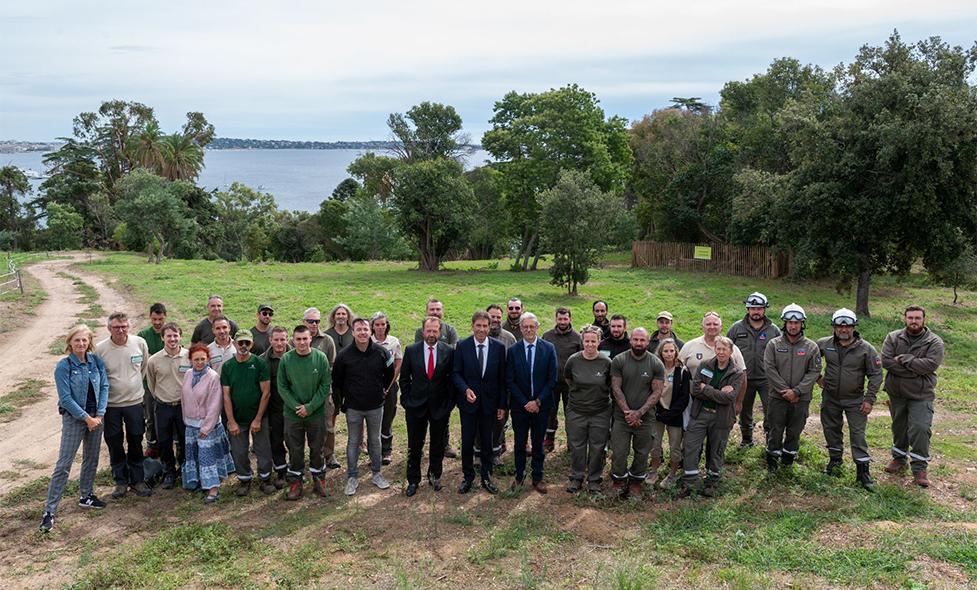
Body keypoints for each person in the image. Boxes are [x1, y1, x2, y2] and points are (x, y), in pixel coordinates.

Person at [40, 325, 109, 533]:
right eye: (77, 340)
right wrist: (87, 418)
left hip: (96, 418)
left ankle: (86, 496)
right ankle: (49, 511)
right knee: (64, 464)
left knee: (91, 458)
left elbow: (104, 386)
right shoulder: (64, 366)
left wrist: (99, 415)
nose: (81, 343)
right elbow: (66, 398)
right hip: (75, 420)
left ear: (90, 342)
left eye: (84, 340)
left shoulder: (96, 362)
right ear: (70, 342)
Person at [817, 308, 882, 491]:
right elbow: (808, 357)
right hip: (830, 398)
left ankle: (863, 472)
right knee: (831, 429)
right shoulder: (824, 344)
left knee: (858, 435)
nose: (843, 330)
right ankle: (835, 462)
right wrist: (817, 377)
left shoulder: (866, 349)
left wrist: (869, 399)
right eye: (839, 326)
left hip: (855, 400)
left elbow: (876, 375)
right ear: (834, 327)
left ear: (854, 327)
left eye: (848, 326)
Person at [881, 305, 945, 488]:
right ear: (905, 318)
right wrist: (916, 369)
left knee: (920, 428)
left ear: (924, 319)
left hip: (921, 394)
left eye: (917, 318)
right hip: (896, 393)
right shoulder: (893, 337)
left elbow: (930, 365)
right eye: (910, 318)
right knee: (899, 427)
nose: (914, 321)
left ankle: (919, 469)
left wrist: (905, 359)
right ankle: (899, 459)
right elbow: (886, 361)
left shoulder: (934, 342)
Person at [332, 317, 395, 496]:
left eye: (365, 329)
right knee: (353, 441)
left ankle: (376, 473)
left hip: (375, 406)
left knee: (374, 440)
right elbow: (337, 381)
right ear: (353, 332)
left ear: (370, 331)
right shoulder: (343, 356)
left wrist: (382, 390)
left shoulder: (382, 352)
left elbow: (389, 373)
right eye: (359, 329)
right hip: (353, 407)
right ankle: (352, 477)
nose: (362, 332)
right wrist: (342, 402)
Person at [96, 311, 152, 500]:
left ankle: (137, 480)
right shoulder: (101, 349)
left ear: (129, 326)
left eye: (124, 326)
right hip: (111, 405)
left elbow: (143, 367)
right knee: (114, 441)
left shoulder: (139, 343)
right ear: (108, 328)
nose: (120, 330)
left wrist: (132, 386)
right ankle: (120, 481)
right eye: (116, 327)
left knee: (136, 438)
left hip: (134, 402)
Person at [680, 336, 743, 498]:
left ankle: (712, 482)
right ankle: (690, 483)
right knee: (690, 446)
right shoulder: (705, 365)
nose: (721, 352)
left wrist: (706, 388)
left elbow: (729, 398)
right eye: (718, 348)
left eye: (724, 349)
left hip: (721, 417)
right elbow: (695, 390)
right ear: (715, 349)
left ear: (731, 351)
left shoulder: (736, 372)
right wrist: (718, 392)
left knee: (716, 450)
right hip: (700, 413)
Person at [399, 317, 455, 496]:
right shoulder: (411, 350)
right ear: (423, 331)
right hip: (416, 406)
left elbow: (452, 379)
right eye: (428, 330)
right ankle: (413, 480)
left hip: (440, 406)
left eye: (435, 331)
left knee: (438, 444)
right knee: (415, 444)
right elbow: (404, 378)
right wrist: (407, 400)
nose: (431, 334)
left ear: (440, 331)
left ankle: (434, 475)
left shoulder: (448, 351)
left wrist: (449, 403)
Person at [453, 311, 507, 494]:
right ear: (472, 326)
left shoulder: (499, 348)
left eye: (485, 326)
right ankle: (468, 477)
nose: (482, 329)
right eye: (478, 325)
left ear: (489, 327)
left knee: (487, 441)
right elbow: (456, 373)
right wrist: (465, 389)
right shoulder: (462, 346)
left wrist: (502, 405)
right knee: (467, 441)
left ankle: (486, 476)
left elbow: (502, 379)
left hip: (490, 404)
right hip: (468, 403)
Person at [763, 304, 821, 473]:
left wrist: (796, 392)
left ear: (802, 324)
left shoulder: (811, 347)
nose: (793, 326)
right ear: (785, 323)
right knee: (775, 429)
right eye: (790, 323)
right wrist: (785, 391)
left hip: (801, 399)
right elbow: (769, 369)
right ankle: (772, 463)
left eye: (797, 323)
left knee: (795, 431)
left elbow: (814, 371)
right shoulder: (773, 344)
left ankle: (788, 461)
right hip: (777, 397)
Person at [609, 328, 665, 500]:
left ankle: (636, 482)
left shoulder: (656, 363)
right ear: (630, 340)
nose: (638, 343)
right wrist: (628, 413)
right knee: (619, 451)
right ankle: (619, 480)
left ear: (648, 342)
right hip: (622, 417)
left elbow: (657, 392)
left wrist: (639, 413)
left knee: (642, 452)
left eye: (642, 340)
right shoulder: (619, 360)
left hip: (645, 418)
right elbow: (616, 388)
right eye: (636, 339)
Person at [278, 325, 332, 500]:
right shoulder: (286, 359)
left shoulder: (320, 358)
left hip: (315, 413)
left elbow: (325, 385)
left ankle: (319, 479)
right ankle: (296, 482)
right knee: (295, 449)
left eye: (305, 339)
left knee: (317, 448)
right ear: (293, 340)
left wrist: (310, 407)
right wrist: (296, 407)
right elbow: (282, 387)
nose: (302, 342)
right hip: (292, 415)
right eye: (298, 339)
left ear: (311, 339)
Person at [507, 312, 558, 494]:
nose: (528, 330)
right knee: (520, 442)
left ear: (537, 327)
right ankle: (519, 476)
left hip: (541, 406)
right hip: (520, 406)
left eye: (531, 326)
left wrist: (537, 401)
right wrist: (525, 403)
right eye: (525, 327)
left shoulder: (548, 348)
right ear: (520, 329)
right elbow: (510, 380)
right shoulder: (513, 350)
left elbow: (552, 379)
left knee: (538, 443)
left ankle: (538, 477)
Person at [222, 330, 274, 496]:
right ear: (234, 343)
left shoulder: (259, 363)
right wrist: (231, 421)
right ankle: (244, 480)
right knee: (239, 451)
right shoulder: (228, 366)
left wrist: (258, 418)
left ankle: (265, 479)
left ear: (252, 344)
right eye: (240, 343)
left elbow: (266, 393)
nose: (243, 346)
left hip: (258, 415)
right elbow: (226, 395)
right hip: (237, 417)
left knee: (263, 449)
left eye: (247, 343)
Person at [726, 292, 781, 449]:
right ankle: (746, 439)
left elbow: (781, 353)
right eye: (753, 308)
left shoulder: (774, 330)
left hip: (767, 379)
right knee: (744, 410)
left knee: (771, 411)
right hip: (743, 378)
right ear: (747, 309)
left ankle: (771, 442)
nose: (756, 312)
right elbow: (726, 350)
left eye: (759, 308)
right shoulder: (736, 328)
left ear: (765, 309)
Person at [181, 344, 234, 504]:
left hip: (207, 425)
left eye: (203, 359)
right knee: (195, 455)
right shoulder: (188, 374)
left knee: (207, 458)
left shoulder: (213, 377)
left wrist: (206, 427)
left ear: (208, 359)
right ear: (190, 360)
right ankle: (199, 482)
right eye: (196, 359)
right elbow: (184, 398)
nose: (199, 362)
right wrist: (186, 420)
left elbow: (215, 405)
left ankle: (213, 489)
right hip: (191, 424)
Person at [562, 325, 611, 494]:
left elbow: (610, 384)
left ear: (599, 341)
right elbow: (568, 379)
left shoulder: (606, 362)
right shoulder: (573, 360)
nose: (590, 344)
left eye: (593, 341)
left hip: (600, 411)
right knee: (577, 446)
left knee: (597, 447)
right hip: (577, 410)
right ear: (582, 341)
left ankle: (594, 479)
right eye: (587, 341)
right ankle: (576, 477)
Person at [411, 298, 459, 459]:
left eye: (438, 309)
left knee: (443, 418)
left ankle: (444, 445)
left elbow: (454, 350)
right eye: (432, 309)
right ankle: (419, 446)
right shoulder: (420, 331)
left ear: (442, 311)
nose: (435, 312)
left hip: (443, 381)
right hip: (425, 380)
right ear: (427, 311)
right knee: (421, 419)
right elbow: (420, 351)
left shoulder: (450, 330)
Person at [145, 322, 190, 489]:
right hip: (163, 405)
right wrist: (161, 397)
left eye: (175, 335)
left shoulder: (189, 356)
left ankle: (184, 468)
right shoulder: (153, 360)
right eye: (169, 336)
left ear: (180, 337)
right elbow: (151, 384)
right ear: (162, 338)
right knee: (164, 441)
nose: (172, 339)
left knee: (184, 439)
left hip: (183, 406)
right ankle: (168, 471)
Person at [296, 307, 340, 470]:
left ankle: (329, 455)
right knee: (300, 428)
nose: (314, 324)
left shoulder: (327, 340)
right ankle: (302, 457)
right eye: (310, 321)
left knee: (328, 425)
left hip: (323, 391)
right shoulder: (296, 339)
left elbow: (332, 365)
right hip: (302, 392)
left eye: (317, 321)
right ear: (304, 321)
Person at [652, 339, 691, 489]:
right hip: (658, 413)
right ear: (660, 353)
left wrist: (672, 413)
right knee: (655, 444)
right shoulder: (656, 369)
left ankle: (673, 474)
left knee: (675, 446)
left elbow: (684, 396)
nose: (669, 354)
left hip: (675, 414)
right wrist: (658, 412)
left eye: (671, 351)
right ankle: (653, 471)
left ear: (676, 352)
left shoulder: (682, 371)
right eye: (665, 351)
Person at [542, 307, 583, 452]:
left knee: (570, 413)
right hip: (551, 383)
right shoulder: (547, 336)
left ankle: (572, 442)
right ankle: (549, 440)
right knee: (550, 413)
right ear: (556, 319)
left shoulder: (577, 338)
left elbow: (581, 360)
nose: (563, 322)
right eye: (560, 319)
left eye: (565, 319)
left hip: (570, 384)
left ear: (570, 319)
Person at [482, 304, 515, 463]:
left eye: (498, 317)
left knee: (499, 422)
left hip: (503, 389)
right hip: (482, 389)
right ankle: (479, 454)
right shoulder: (479, 335)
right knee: (480, 423)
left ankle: (496, 454)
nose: (495, 320)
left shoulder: (509, 338)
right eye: (492, 317)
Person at [261, 326, 292, 489]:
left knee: (294, 440)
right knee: (276, 441)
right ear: (270, 340)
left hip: (294, 408)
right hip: (274, 409)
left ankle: (296, 470)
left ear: (287, 339)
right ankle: (281, 471)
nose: (279, 343)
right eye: (276, 340)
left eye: (282, 339)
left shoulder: (297, 356)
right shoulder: (263, 361)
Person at [372, 312, 404, 465]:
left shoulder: (393, 342)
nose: (380, 327)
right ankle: (374, 451)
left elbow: (398, 363)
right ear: (372, 326)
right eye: (377, 324)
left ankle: (386, 450)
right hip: (372, 387)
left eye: (383, 324)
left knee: (387, 418)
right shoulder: (368, 341)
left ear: (387, 325)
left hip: (390, 386)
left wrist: (389, 384)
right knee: (373, 420)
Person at [137, 302, 167, 457]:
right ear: (150, 317)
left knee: (166, 415)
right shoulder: (143, 336)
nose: (157, 322)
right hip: (147, 383)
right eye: (154, 319)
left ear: (165, 317)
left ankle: (168, 444)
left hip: (166, 382)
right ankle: (152, 445)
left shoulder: (170, 333)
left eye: (160, 319)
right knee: (149, 416)